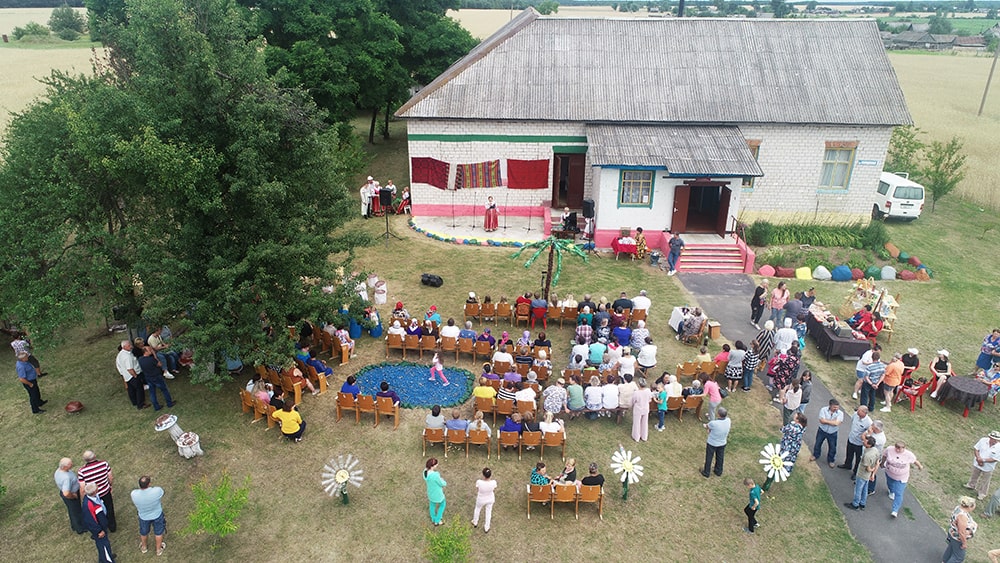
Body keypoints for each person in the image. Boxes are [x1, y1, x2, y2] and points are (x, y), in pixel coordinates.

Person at [881, 441, 924, 518]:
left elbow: (915, 461)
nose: (897, 450)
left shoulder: (908, 455)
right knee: (890, 484)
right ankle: (891, 491)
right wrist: (882, 463)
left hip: (902, 477)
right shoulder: (889, 449)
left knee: (899, 493)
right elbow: (884, 456)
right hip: (890, 473)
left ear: (904, 448)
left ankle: (895, 510)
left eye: (899, 448)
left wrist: (920, 466)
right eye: (896, 447)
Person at [78, 450, 116, 533]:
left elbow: (82, 487)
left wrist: (83, 498)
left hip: (93, 496)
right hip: (105, 491)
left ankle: (102, 527)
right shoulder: (104, 464)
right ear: (94, 456)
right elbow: (110, 477)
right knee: (109, 508)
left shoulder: (82, 471)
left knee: (97, 512)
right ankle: (112, 526)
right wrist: (110, 486)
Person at [130, 475, 167, 556]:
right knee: (158, 532)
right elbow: (162, 492)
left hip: (143, 516)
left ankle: (144, 547)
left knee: (144, 532)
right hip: (157, 515)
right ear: (149, 484)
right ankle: (158, 550)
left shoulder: (134, 494)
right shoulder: (157, 491)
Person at [82, 482, 116, 563]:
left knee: (104, 544)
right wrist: (98, 531)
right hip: (99, 529)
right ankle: (108, 560)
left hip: (102, 525)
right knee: (104, 545)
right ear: (94, 492)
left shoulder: (94, 497)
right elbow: (90, 521)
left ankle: (104, 558)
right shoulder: (89, 505)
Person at [845, 435, 879, 511]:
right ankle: (862, 503)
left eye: (865, 442)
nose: (863, 442)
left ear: (869, 445)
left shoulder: (867, 456)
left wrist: (871, 470)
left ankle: (855, 504)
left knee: (858, 489)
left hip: (862, 474)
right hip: (867, 476)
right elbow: (877, 463)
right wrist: (873, 474)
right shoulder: (875, 450)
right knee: (865, 489)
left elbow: (868, 468)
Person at [136, 346, 176, 411]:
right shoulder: (151, 359)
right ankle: (169, 403)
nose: (151, 351)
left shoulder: (140, 359)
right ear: (145, 351)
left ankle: (156, 406)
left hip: (148, 377)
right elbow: (159, 364)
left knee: (152, 392)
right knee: (164, 390)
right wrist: (154, 355)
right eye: (149, 350)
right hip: (156, 377)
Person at [839, 405, 872, 476]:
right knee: (849, 453)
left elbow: (868, 434)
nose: (857, 411)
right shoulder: (855, 415)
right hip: (851, 439)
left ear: (864, 413)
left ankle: (855, 472)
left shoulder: (868, 422)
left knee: (858, 459)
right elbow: (852, 421)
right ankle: (847, 465)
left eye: (859, 410)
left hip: (859, 443)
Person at [55, 457, 85, 534]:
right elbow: (66, 493)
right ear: (65, 466)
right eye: (70, 464)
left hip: (67, 493)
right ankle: (80, 528)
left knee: (72, 510)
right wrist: (73, 496)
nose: (72, 464)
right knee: (76, 511)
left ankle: (74, 525)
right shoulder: (66, 478)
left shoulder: (59, 470)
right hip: (71, 495)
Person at [943, 497, 978, 563]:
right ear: (970, 506)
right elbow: (961, 532)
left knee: (951, 549)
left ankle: (944, 560)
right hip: (958, 538)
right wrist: (964, 543)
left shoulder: (959, 508)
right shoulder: (962, 516)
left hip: (952, 533)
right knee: (958, 557)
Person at [967, 431, 1000, 501]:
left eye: (995, 439)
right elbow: (976, 449)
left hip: (988, 467)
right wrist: (978, 458)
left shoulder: (999, 447)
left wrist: (983, 460)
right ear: (989, 437)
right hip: (977, 462)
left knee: (985, 480)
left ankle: (982, 493)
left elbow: (995, 459)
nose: (993, 440)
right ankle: (971, 485)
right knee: (974, 475)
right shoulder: (983, 440)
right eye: (992, 438)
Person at [811, 399, 845, 467]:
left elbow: (836, 423)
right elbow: (821, 421)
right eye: (834, 407)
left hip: (832, 433)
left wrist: (827, 421)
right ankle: (815, 455)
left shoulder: (840, 413)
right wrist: (832, 421)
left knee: (832, 447)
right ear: (830, 405)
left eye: (837, 407)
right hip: (822, 431)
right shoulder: (823, 410)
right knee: (818, 443)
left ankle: (831, 460)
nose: (836, 409)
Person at [116, 340, 147, 410]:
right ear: (124, 347)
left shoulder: (120, 354)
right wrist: (135, 375)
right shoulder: (127, 356)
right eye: (129, 346)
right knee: (139, 389)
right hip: (132, 375)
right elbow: (130, 368)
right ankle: (141, 404)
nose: (131, 347)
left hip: (126, 375)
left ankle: (134, 401)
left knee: (131, 389)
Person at [701, 407, 731, 477]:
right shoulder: (728, 420)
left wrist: (705, 426)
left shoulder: (714, 423)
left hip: (712, 443)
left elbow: (707, 427)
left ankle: (706, 472)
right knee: (720, 457)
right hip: (722, 442)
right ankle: (718, 471)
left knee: (709, 457)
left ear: (718, 414)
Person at [471, 467, 497, 533]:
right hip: (490, 498)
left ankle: (475, 522)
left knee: (477, 509)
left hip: (481, 499)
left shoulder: (479, 482)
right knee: (488, 512)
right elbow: (494, 489)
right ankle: (486, 527)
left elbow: (477, 489)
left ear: (483, 475)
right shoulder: (493, 482)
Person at [424, 458, 447, 526]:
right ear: (432, 466)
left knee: (432, 505)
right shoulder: (435, 475)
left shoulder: (425, 472)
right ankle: (437, 520)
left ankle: (433, 518)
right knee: (443, 504)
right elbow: (442, 483)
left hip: (430, 493)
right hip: (437, 494)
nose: (437, 465)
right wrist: (443, 481)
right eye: (436, 464)